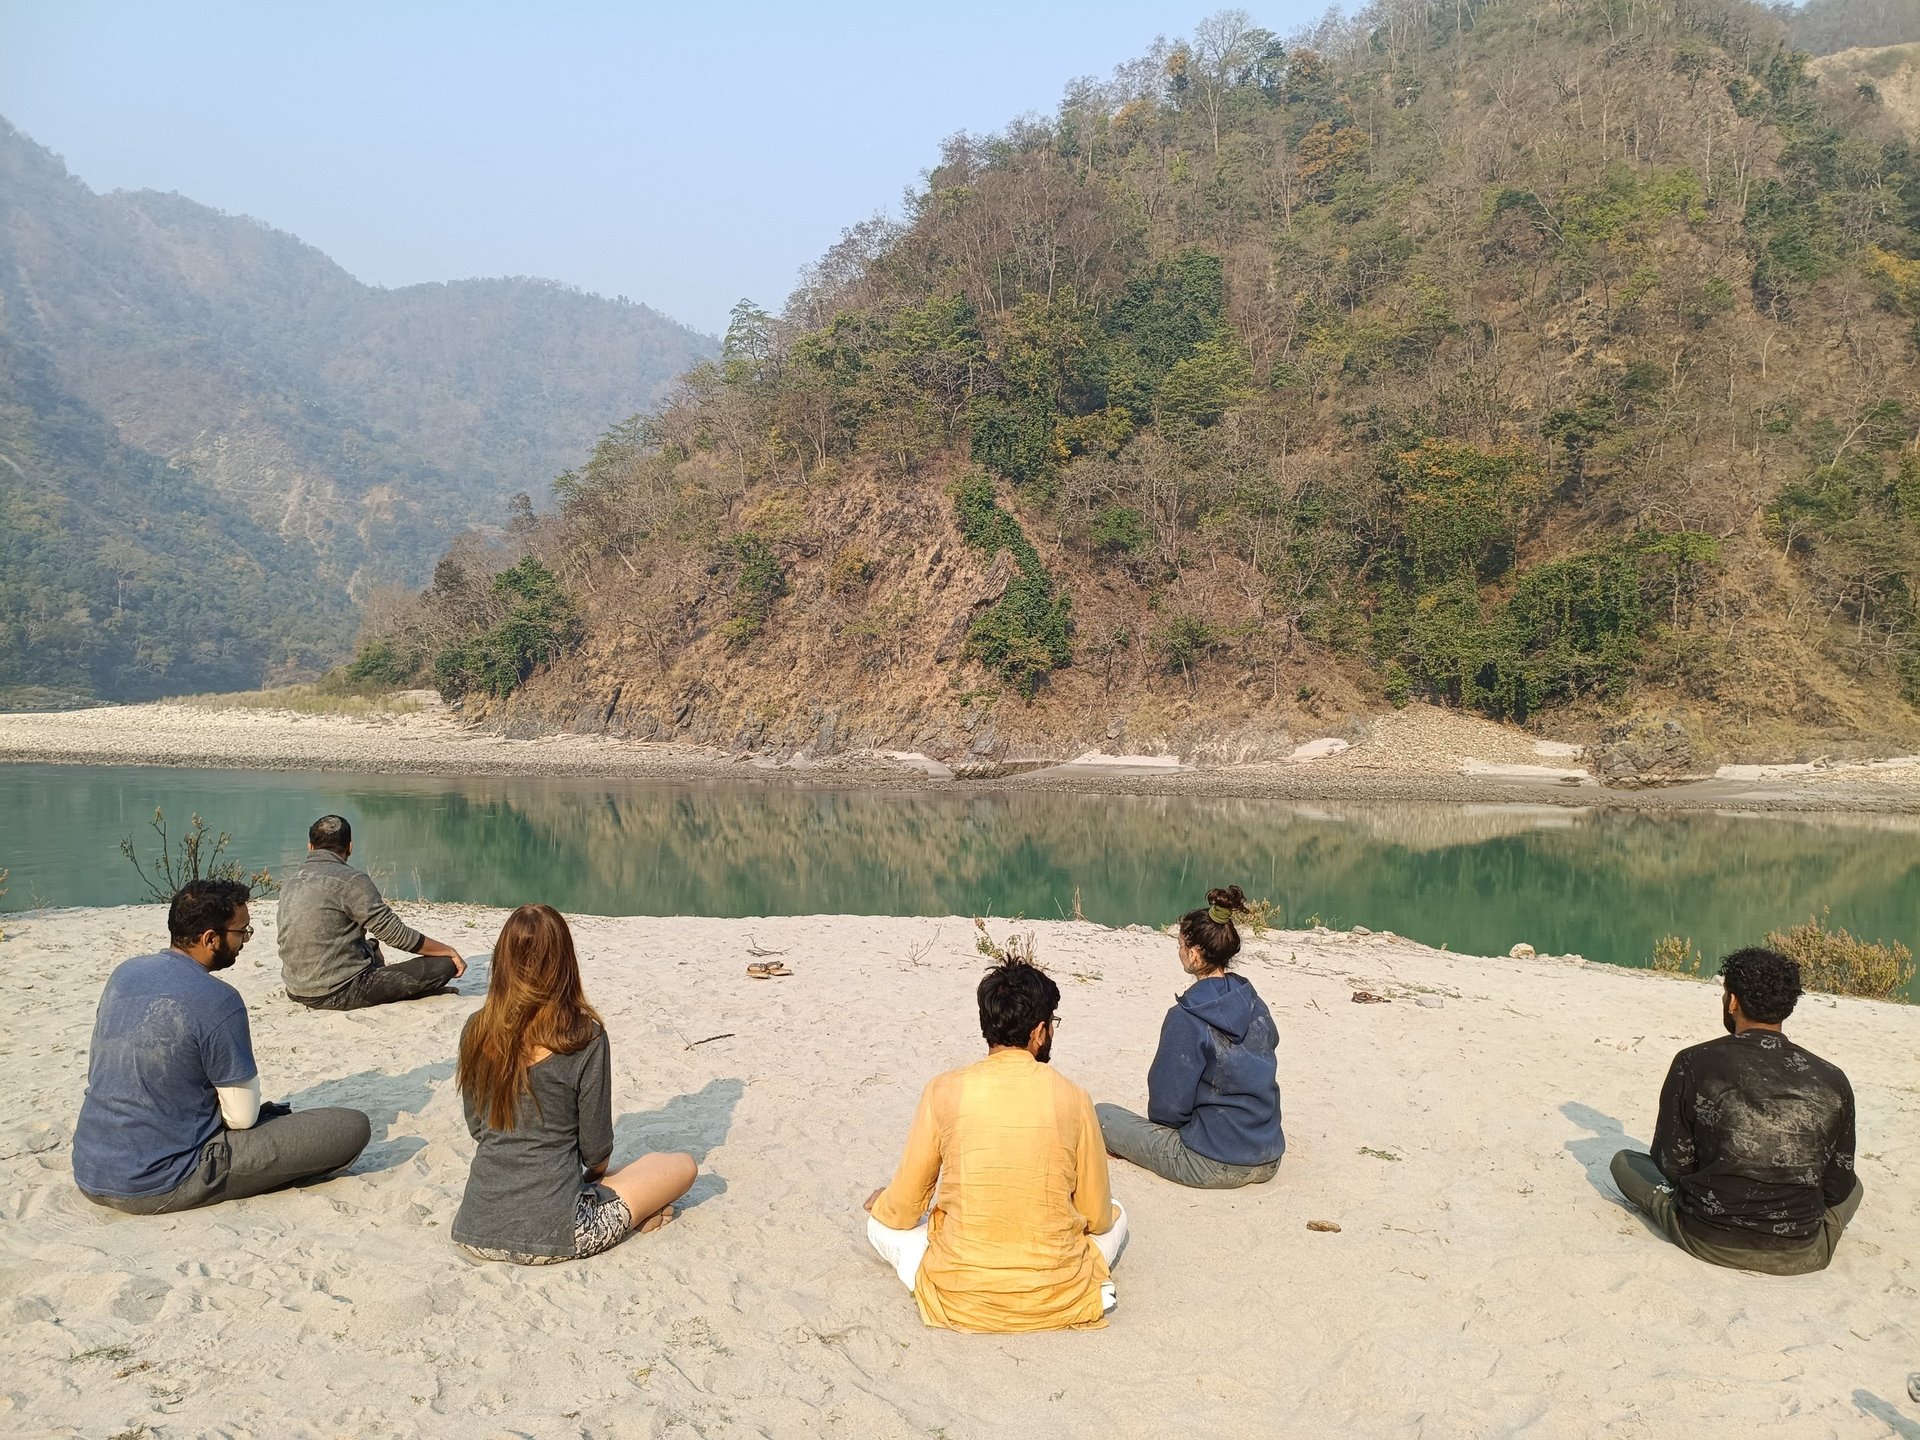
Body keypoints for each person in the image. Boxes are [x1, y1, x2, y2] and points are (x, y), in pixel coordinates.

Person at [72, 879, 372, 1214]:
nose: (244, 941)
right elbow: (242, 1118)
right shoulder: (219, 999)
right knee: (351, 1127)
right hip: (157, 1182)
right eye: (241, 932)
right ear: (210, 939)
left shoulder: (124, 973)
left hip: (89, 1166)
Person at [863, 956, 1127, 1332]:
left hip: (962, 1297)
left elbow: (904, 1208)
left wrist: (884, 1204)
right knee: (1118, 1214)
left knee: (880, 1227)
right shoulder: (1074, 1097)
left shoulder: (944, 1090)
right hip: (1056, 1294)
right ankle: (1087, 1288)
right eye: (1052, 1024)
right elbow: (1098, 1217)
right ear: (1038, 1032)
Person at [452, 904, 695, 1264]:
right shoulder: (582, 1035)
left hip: (474, 1229)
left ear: (501, 961)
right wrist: (591, 1181)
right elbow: (596, 1152)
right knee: (682, 1165)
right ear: (564, 962)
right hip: (558, 1234)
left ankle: (635, 1211)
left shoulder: (476, 1029)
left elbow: (478, 1128)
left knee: (623, 1178)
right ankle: (636, 1215)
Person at [1610, 947, 1862, 1275]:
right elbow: (1838, 1186)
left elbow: (1672, 1166)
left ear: (1733, 1002)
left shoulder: (1693, 1062)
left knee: (1624, 1162)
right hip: (1802, 1250)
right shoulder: (1832, 1078)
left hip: (1707, 1236)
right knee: (1856, 1186)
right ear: (1786, 1007)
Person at [1096, 885, 1284, 1189]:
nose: (1180, 951)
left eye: (1181, 944)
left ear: (1195, 955)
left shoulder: (1187, 1016)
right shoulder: (1253, 1001)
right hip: (1269, 1154)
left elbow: (1166, 1110)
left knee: (1101, 1115)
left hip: (1213, 1162)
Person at [277, 814, 467, 1010]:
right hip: (338, 992)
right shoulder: (352, 880)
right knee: (444, 965)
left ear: (310, 847)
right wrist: (448, 951)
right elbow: (396, 935)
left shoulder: (292, 882)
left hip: (296, 988)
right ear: (350, 847)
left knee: (372, 947)